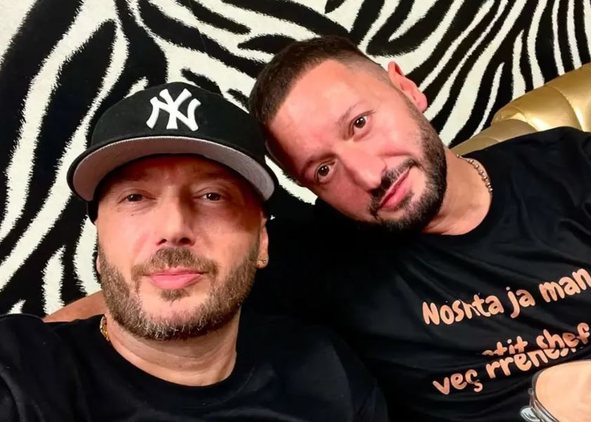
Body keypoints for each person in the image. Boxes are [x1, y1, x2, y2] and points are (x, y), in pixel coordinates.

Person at [49, 37, 591, 421]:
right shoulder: (321, 258)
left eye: (359, 123)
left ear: (405, 88)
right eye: (323, 169)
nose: (368, 175)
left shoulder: (569, 168)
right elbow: (161, 280)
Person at [0, 81, 388, 421]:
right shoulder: (21, 373)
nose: (173, 229)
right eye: (135, 197)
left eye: (212, 196)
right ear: (100, 246)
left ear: (262, 242)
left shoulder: (328, 375)